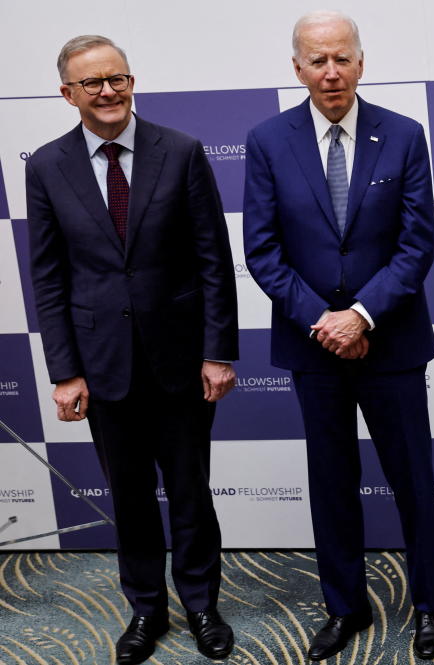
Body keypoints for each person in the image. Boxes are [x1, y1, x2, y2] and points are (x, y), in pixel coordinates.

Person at [242, 10, 434, 662]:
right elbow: (262, 248)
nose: (330, 72)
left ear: (361, 62)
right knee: (331, 480)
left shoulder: (405, 135)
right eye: (317, 60)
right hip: (311, 344)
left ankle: (428, 606)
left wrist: (359, 316)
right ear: (297, 68)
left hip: (391, 342)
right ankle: (344, 605)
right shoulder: (267, 140)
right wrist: (324, 322)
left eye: (342, 58)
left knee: (414, 478)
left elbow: (416, 247)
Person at [26, 35, 239, 665]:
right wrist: (64, 371)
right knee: (130, 498)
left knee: (191, 491)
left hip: (180, 361)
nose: (108, 91)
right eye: (92, 83)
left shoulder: (181, 152)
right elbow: (48, 276)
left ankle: (201, 605)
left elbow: (213, 262)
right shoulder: (45, 165)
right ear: (68, 93)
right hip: (101, 364)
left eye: (117, 78)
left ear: (133, 82)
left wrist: (218, 351)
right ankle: (146, 609)